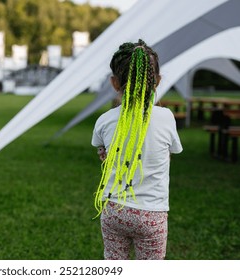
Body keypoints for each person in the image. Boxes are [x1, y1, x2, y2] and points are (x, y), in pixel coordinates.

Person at [91, 39, 183, 260]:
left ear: (114, 83)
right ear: (157, 81)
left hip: (114, 210)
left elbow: (101, 148)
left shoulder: (105, 120)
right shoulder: (166, 117)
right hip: (152, 214)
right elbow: (174, 150)